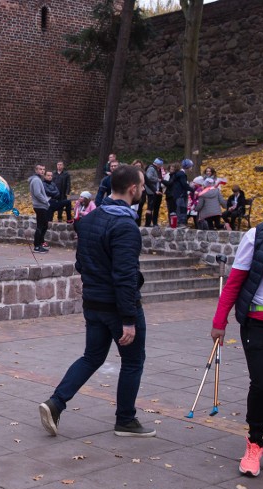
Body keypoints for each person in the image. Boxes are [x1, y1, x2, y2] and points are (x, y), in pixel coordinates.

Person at [39, 165, 155, 438]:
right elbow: (125, 276)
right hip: (117, 307)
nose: (142, 191)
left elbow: (82, 263)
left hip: (94, 303)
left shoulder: (90, 219)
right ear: (132, 189)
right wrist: (128, 319)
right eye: (141, 186)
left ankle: (55, 403)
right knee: (133, 361)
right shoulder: (126, 226)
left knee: (92, 357)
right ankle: (126, 420)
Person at [210, 179, 263, 480]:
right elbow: (235, 281)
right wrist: (220, 322)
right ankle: (255, 441)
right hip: (259, 323)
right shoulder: (257, 236)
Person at [29, 163, 50, 254]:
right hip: (40, 206)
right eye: (40, 169)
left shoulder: (37, 180)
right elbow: (37, 194)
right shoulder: (36, 180)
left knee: (44, 225)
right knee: (41, 226)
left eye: (43, 169)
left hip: (41, 206)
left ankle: (40, 244)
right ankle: (37, 246)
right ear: (36, 170)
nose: (42, 171)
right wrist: (45, 201)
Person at [172, 159, 194, 226]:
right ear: (188, 167)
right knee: (182, 208)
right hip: (180, 194)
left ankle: (180, 222)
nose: (191, 168)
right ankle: (181, 223)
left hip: (178, 194)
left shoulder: (179, 173)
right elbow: (184, 185)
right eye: (191, 166)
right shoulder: (182, 174)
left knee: (181, 208)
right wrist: (192, 189)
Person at [144, 158, 164, 227]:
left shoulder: (157, 169)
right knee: (150, 207)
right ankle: (148, 223)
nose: (161, 167)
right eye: (160, 165)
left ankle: (155, 222)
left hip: (157, 190)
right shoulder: (151, 168)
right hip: (152, 191)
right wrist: (157, 179)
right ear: (158, 164)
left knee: (156, 207)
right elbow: (148, 177)